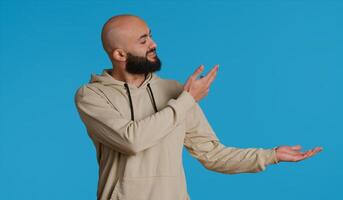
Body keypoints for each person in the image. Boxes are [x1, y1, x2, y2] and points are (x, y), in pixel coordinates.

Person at [74, 14, 322, 200]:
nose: (154, 43)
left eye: (151, 35)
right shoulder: (92, 95)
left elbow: (212, 154)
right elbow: (131, 141)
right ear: (120, 54)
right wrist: (187, 101)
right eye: (143, 40)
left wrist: (271, 155)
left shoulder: (174, 91)